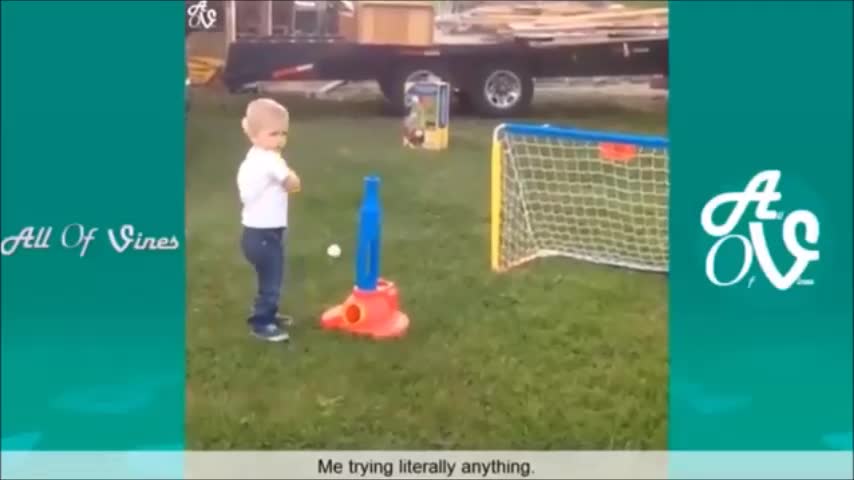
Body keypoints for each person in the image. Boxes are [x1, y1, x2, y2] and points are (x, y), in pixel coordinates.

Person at [236, 98, 301, 342]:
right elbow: (293, 185)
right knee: (272, 279)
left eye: (284, 133)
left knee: (269, 277)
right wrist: (293, 176)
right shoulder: (270, 160)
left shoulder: (254, 156)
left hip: (255, 233)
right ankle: (261, 322)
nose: (280, 140)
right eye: (273, 134)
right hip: (264, 235)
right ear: (254, 135)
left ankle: (269, 313)